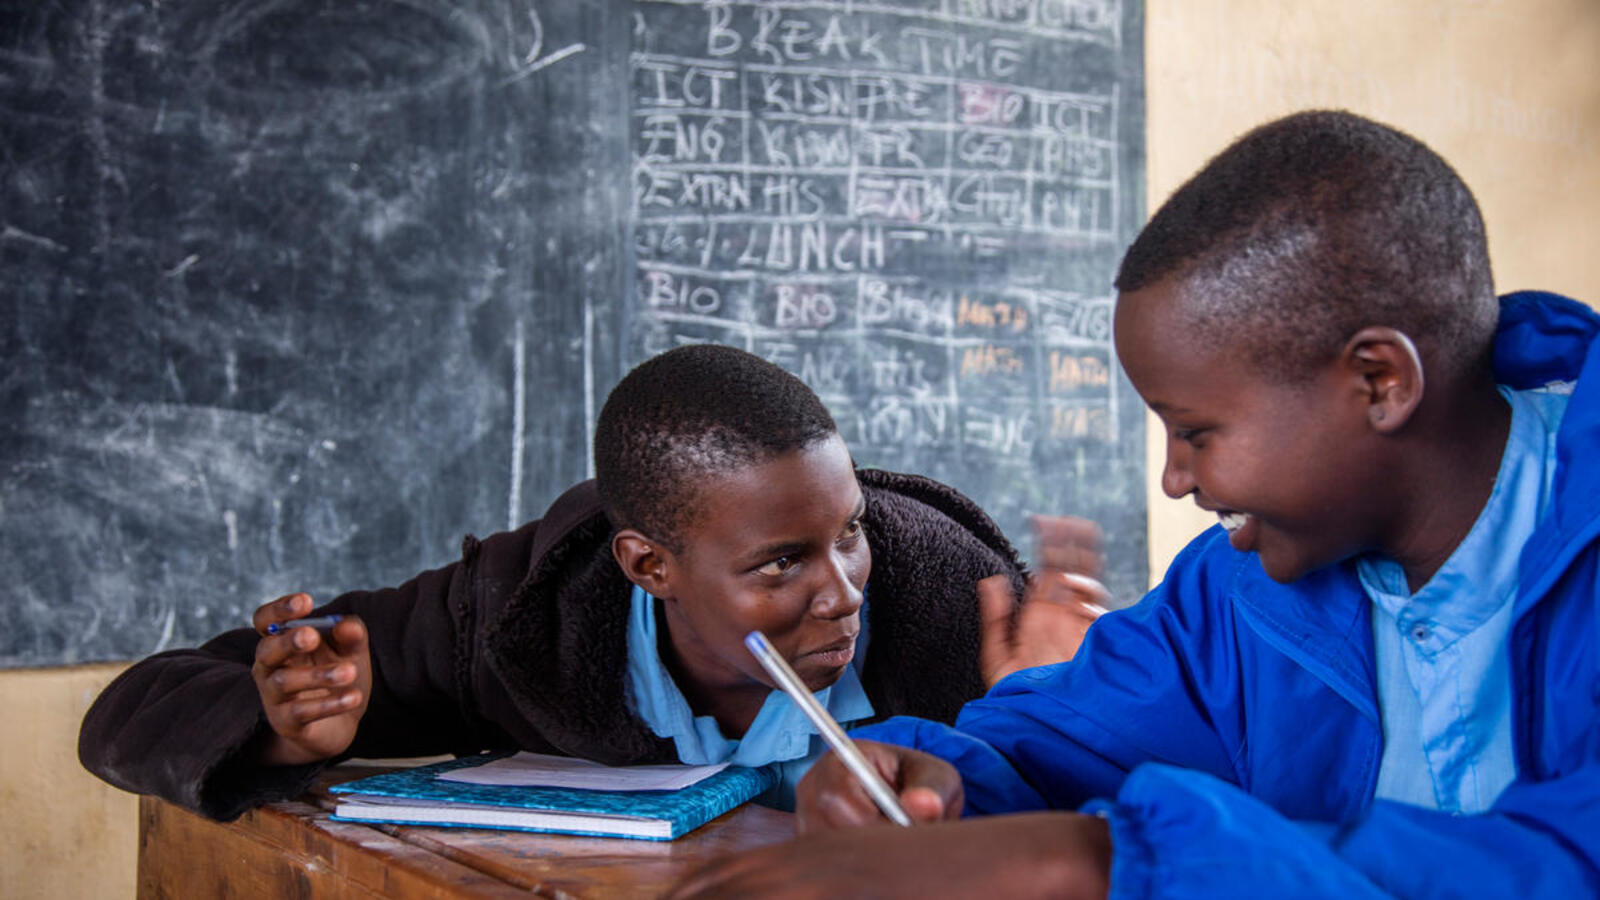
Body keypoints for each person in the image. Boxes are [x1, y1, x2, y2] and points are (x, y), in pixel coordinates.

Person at [666, 110, 1600, 898]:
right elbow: (1051, 751)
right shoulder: (1234, 591)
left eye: (1195, 431)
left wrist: (1093, 861)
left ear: (1378, 381)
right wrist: (928, 777)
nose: (1174, 479)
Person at [79, 343, 1105, 821]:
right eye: (780, 563)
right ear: (647, 565)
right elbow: (136, 706)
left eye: (851, 536)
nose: (842, 591)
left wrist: (1054, 711)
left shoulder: (960, 614)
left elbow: (1123, 830)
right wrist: (281, 729)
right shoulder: (520, 617)